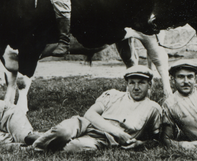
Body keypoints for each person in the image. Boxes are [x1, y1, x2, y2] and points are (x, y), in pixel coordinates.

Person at [32, 65, 161, 153]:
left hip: (103, 139)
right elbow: (90, 114)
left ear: (149, 84)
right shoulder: (113, 95)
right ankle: (34, 146)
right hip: (86, 124)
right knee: (63, 131)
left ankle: (35, 141)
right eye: (132, 82)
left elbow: (156, 139)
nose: (136, 87)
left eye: (141, 82)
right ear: (127, 84)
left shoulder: (153, 108)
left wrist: (140, 144)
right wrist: (118, 132)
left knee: (75, 147)